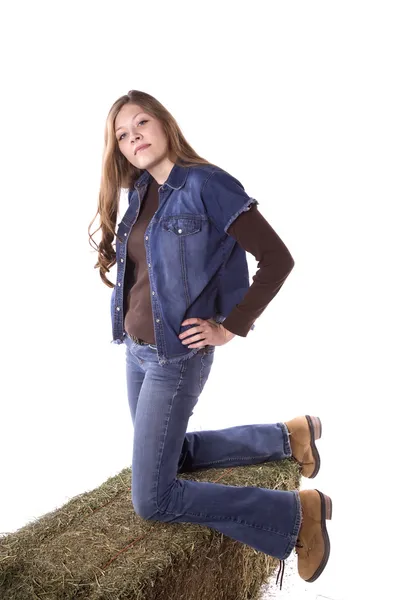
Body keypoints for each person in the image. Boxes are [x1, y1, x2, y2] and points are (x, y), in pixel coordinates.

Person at [88, 90, 332, 587]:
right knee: (167, 457)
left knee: (152, 499)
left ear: (165, 124)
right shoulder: (139, 191)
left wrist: (230, 326)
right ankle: (289, 436)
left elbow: (277, 259)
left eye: (141, 124)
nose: (134, 137)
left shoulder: (207, 184)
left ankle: (295, 515)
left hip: (176, 357)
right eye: (122, 134)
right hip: (136, 352)